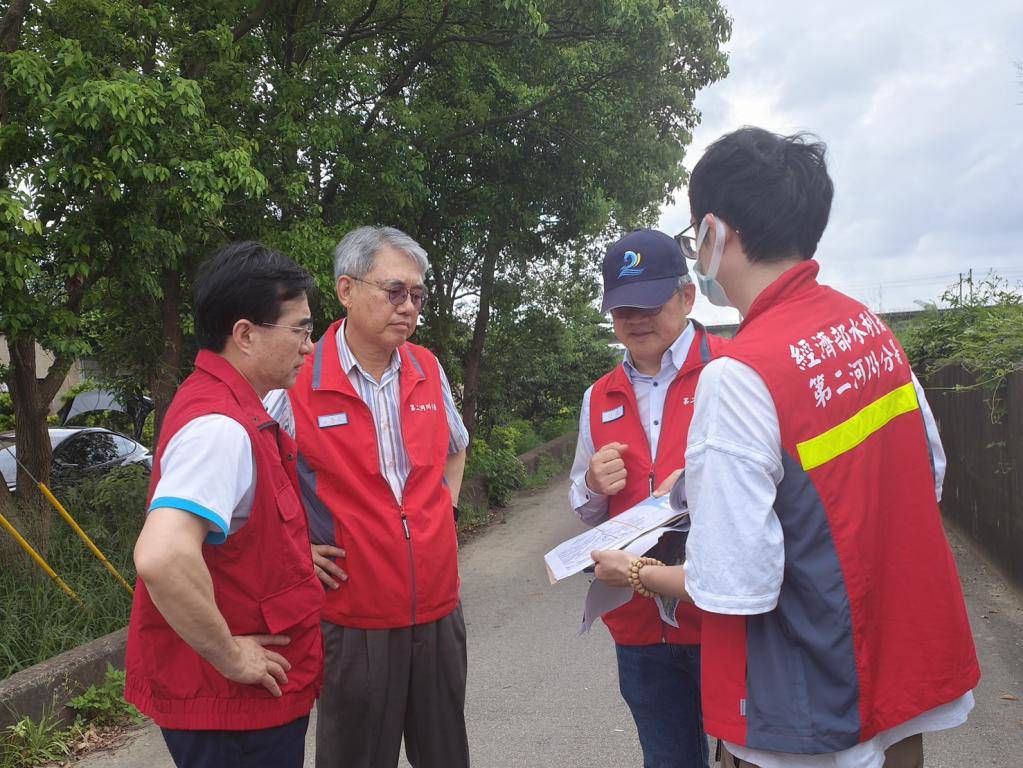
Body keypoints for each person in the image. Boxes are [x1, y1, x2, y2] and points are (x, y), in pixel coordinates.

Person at [592, 127, 979, 768]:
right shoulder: (868, 329)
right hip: (892, 674)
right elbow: (924, 471)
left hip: (805, 700)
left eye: (694, 239)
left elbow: (735, 582)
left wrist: (630, 572)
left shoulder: (740, 373)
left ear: (715, 235)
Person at [264, 226, 470, 768]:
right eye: (394, 291)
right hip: (352, 615)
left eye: (418, 296)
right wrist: (294, 549)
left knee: (445, 753)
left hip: (437, 608)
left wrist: (444, 513)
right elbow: (259, 480)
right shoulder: (297, 378)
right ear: (347, 290)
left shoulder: (427, 367)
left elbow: (456, 448)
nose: (408, 307)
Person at [125, 242, 323, 768]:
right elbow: (163, 556)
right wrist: (230, 655)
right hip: (233, 715)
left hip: (240, 709)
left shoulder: (230, 406)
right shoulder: (219, 427)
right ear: (245, 334)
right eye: (300, 329)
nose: (310, 345)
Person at [568, 228, 725, 768]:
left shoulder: (732, 371)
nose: (635, 319)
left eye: (649, 303)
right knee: (667, 759)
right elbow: (583, 508)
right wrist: (591, 483)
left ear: (687, 296)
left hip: (722, 618)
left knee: (748, 757)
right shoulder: (599, 395)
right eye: (621, 309)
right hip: (637, 625)